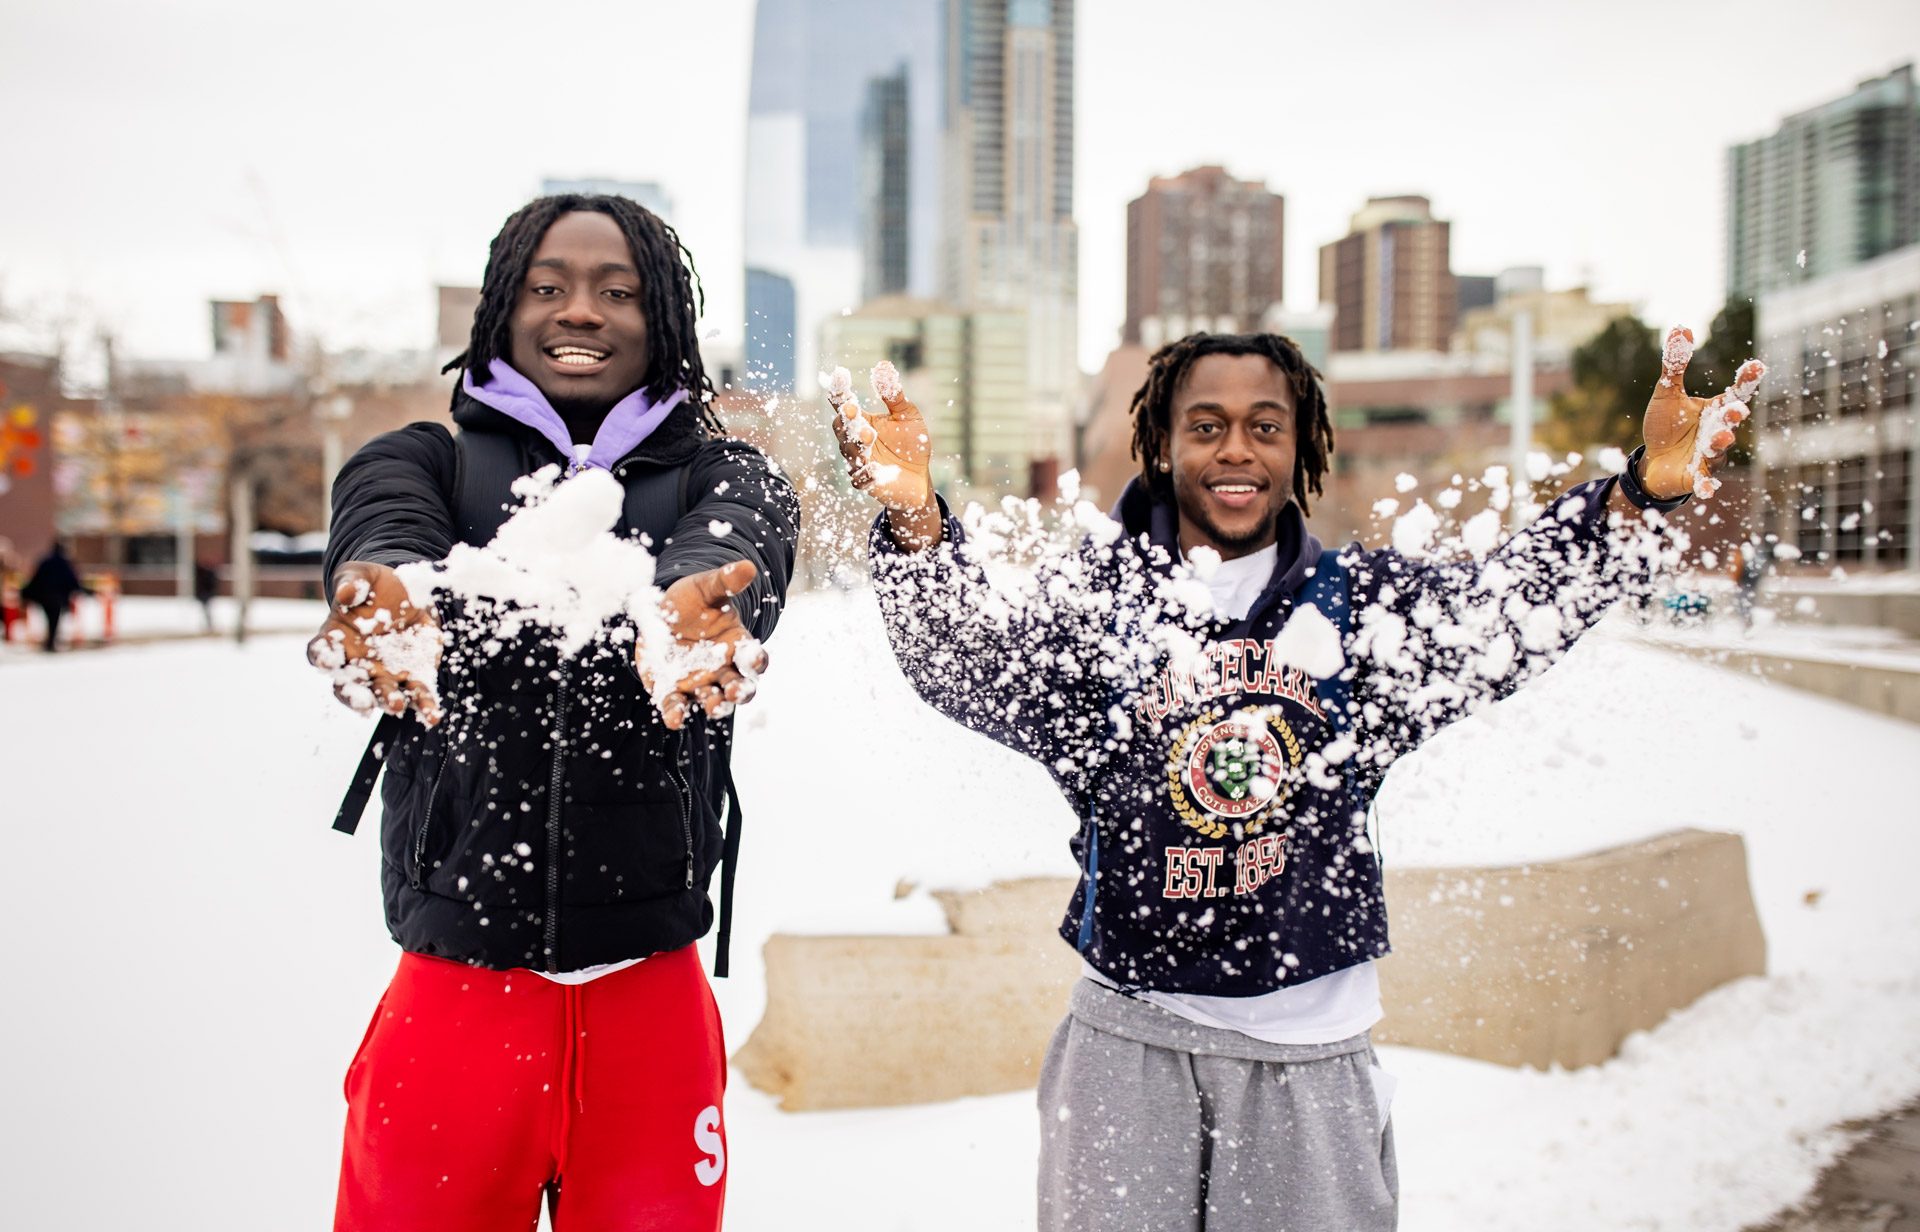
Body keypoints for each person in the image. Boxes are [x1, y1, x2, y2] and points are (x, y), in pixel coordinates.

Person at [830, 329, 1757, 1231]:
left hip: (1308, 1057)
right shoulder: (1096, 605)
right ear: (1161, 441)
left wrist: (1640, 496)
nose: (1237, 449)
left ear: (1300, 445)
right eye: (1206, 425)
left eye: (1265, 426)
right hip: (1127, 1043)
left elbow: (1506, 609)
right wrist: (916, 516)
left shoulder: (1363, 611)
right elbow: (969, 660)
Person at [310, 193, 799, 1230]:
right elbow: (381, 520)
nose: (582, 311)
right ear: (503, 310)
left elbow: (739, 538)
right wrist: (391, 588)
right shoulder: (426, 459)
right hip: (454, 995)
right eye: (549, 287)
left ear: (662, 319)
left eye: (617, 291)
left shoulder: (722, 471)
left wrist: (694, 611)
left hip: (648, 1003)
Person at [20, 540, 89, 653]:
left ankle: (50, 642)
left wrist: (28, 592)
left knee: (49, 619)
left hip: (45, 596)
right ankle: (51, 642)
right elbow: (71, 580)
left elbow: (36, 578)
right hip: (57, 597)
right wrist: (80, 589)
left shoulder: (45, 561)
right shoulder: (65, 563)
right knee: (54, 620)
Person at [192, 560, 218, 633]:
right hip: (205, 595)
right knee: (206, 610)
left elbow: (209, 585)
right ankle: (208, 625)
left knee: (206, 610)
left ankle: (209, 625)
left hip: (205, 595)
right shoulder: (205, 574)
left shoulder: (205, 575)